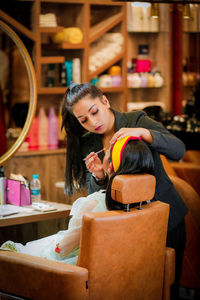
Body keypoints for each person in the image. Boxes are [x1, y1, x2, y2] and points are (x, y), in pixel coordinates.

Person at [62, 82, 188, 299]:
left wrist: (144, 132)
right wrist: (100, 176)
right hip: (125, 229)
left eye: (94, 112)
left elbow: (179, 150)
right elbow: (96, 196)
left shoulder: (135, 120)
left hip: (166, 220)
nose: (93, 122)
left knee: (166, 290)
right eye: (84, 120)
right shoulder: (88, 143)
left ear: (105, 101)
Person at [0, 137, 154, 266]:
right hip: (119, 271)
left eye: (106, 153)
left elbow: (61, 251)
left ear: (111, 165)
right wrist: (102, 174)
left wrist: (55, 244)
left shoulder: (94, 205)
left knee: (14, 251)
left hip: (76, 271)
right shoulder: (149, 206)